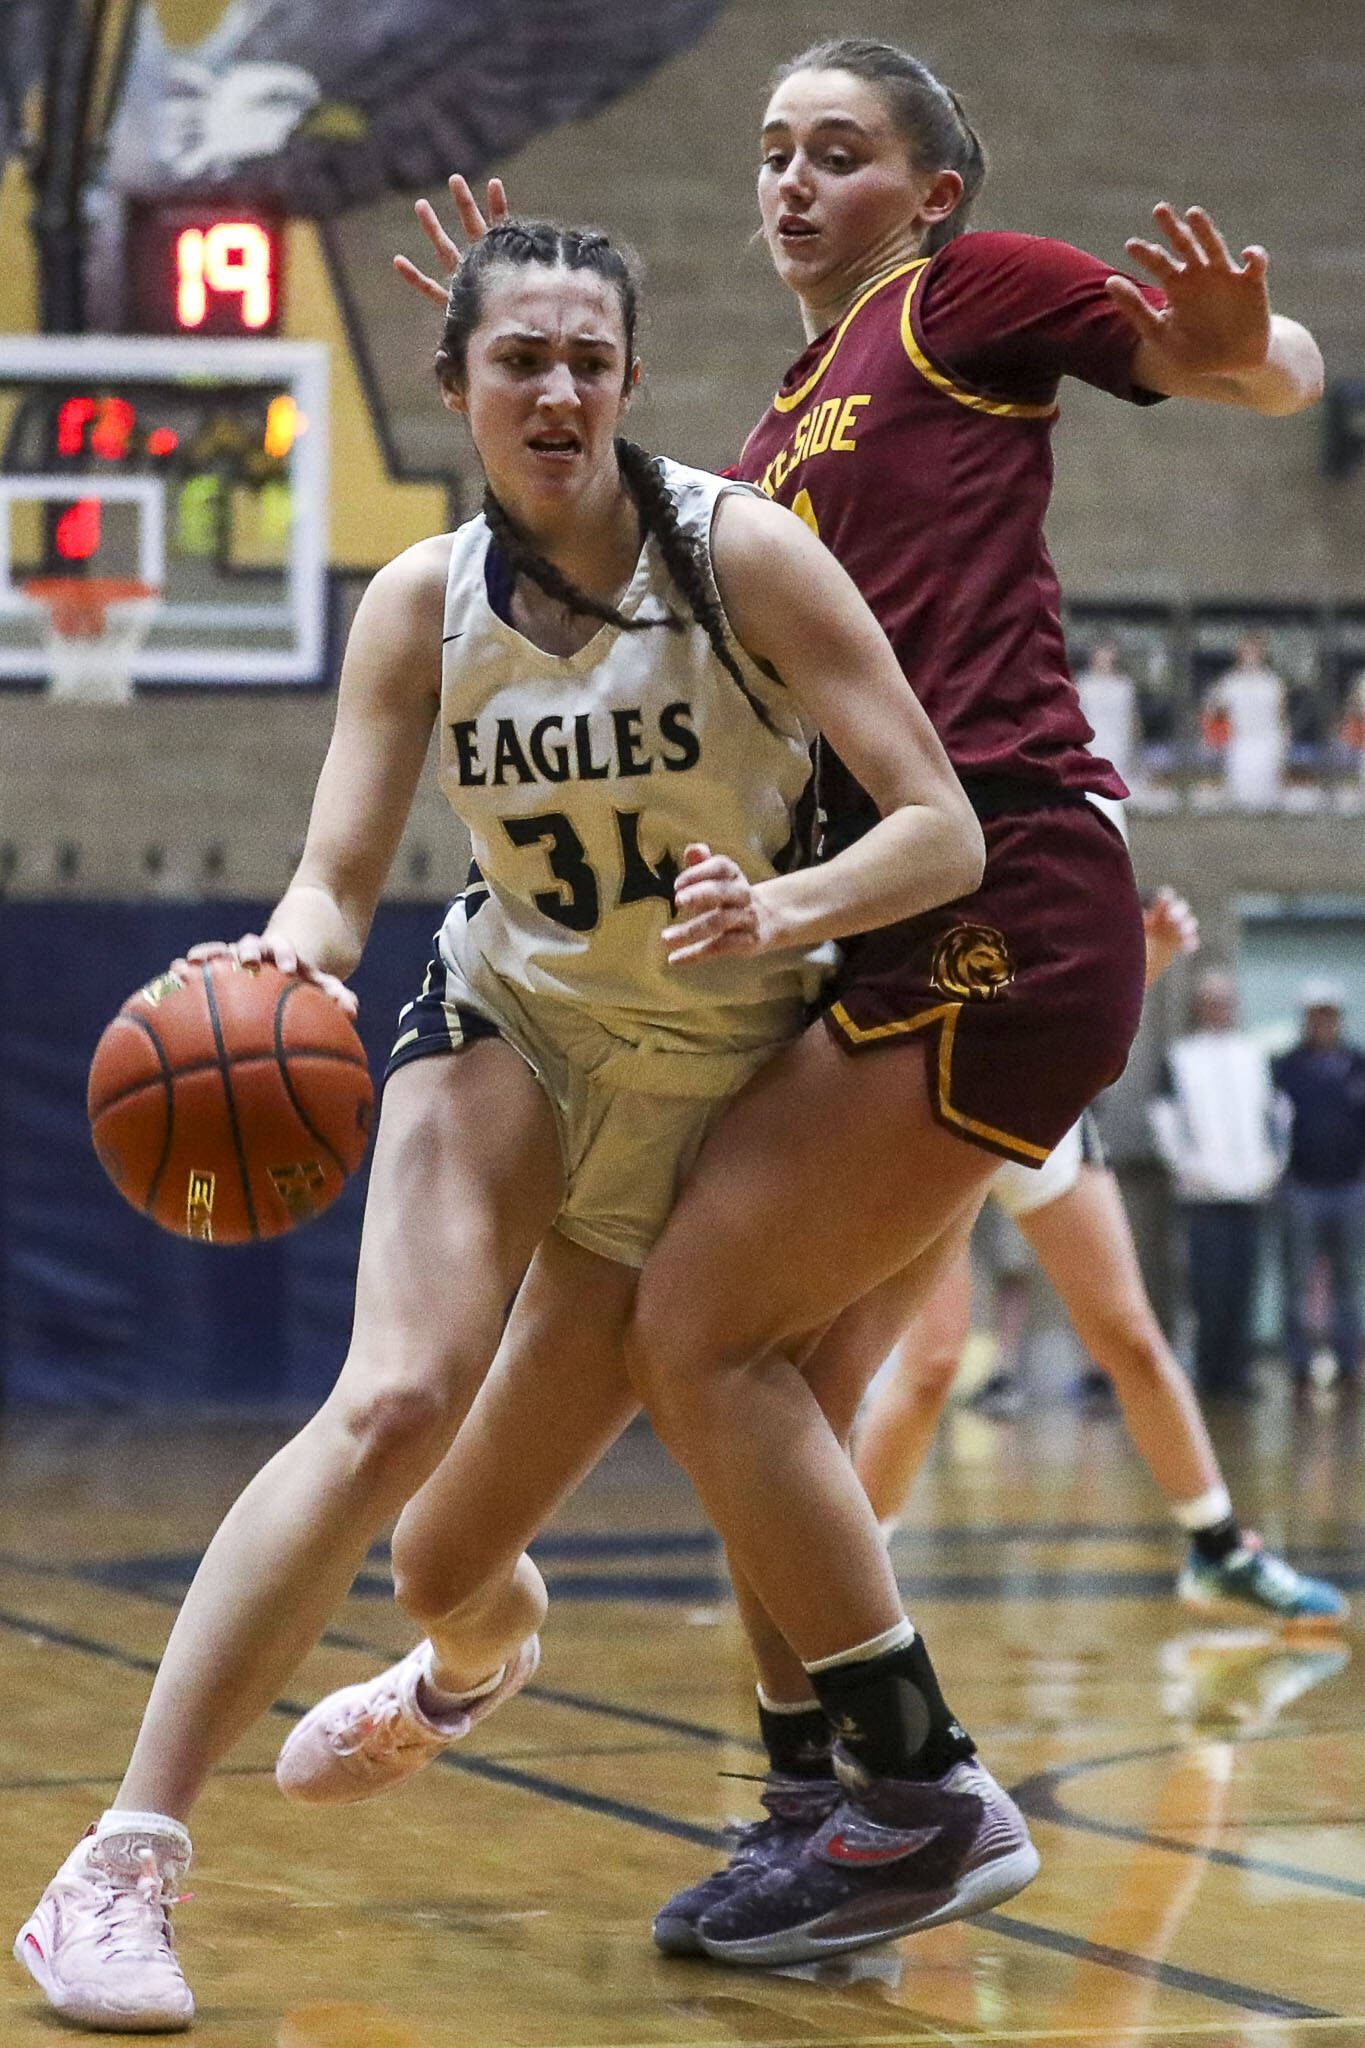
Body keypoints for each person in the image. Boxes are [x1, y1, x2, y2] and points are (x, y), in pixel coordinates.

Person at [375, 35, 1323, 1969]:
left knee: (697, 1326)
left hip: (1003, 881)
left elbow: (1249, 365)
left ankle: (914, 1785)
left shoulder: (961, 295)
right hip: (886, 928)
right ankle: (819, 1805)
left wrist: (1253, 351)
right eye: (772, 152)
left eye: (840, 152)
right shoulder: (790, 408)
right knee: (778, 1379)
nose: (793, 182)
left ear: (932, 191)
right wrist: (515, 347)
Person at [14, 218, 988, 2031]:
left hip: (721, 1093)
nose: (556, 388)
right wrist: (286, 962)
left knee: (449, 1562)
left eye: (587, 359)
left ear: (628, 381)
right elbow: (337, 872)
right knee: (388, 1397)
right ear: (455, 385)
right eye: (519, 358)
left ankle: (465, 1661)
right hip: (514, 1031)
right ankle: (118, 1864)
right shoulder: (419, 599)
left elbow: (943, 828)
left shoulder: (744, 556)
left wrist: (783, 909)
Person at [853, 889, 1347, 1627]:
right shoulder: (916, 824)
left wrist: (1141, 957)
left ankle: (1218, 1552)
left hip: (1039, 1101)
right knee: (928, 1366)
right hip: (930, 1102)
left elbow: (1081, 999)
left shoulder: (1061, 828)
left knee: (1134, 1341)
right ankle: (844, 1584)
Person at [1149, 969, 1286, 1397]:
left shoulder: (1254, 1056)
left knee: (1244, 1284)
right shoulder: (1180, 1057)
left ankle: (1238, 1371)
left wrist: (1270, 1168)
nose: (1219, 1008)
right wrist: (1192, 1171)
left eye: (1225, 1000)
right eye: (1211, 1000)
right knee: (1207, 1288)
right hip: (1202, 1197)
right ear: (1198, 1005)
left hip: (1250, 1193)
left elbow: (1278, 1117)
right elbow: (1165, 1123)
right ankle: (1209, 1375)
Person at [1272, 978, 1365, 1394]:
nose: (1322, 1022)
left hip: (1350, 1188)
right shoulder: (1285, 1067)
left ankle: (1349, 1364)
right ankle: (1300, 1367)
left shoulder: (1358, 1065)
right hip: (1301, 1189)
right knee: (1296, 1281)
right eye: (1315, 1015)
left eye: (1328, 1014)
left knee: (1350, 1280)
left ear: (1338, 1018)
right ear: (1306, 1019)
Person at [1203, 630, 1287, 806]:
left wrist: (1282, 750)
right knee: (1240, 798)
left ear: (1262, 653)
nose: (1250, 656)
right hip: (1240, 747)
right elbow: (1212, 711)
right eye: (1246, 651)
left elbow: (1281, 720)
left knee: (1265, 798)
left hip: (1267, 745)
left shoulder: (1273, 683)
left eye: (1254, 651)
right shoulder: (1230, 682)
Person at [1074, 639, 1140, 790]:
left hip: (1119, 750)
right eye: (1100, 652)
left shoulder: (1124, 686)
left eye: (1108, 652)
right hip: (1093, 749)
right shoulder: (1083, 685)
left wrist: (1133, 752)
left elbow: (1133, 721)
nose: (1104, 657)